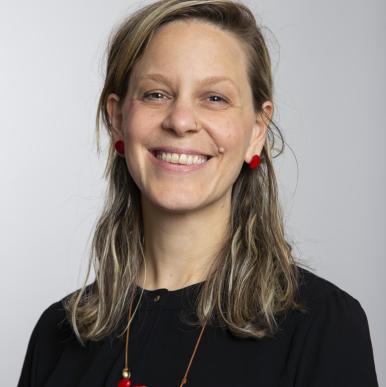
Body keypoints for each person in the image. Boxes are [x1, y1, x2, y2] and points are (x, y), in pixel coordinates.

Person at [17, 1, 379, 386]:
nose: (181, 120)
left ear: (256, 131)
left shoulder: (324, 326)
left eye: (215, 98)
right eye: (156, 94)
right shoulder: (58, 334)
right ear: (118, 118)